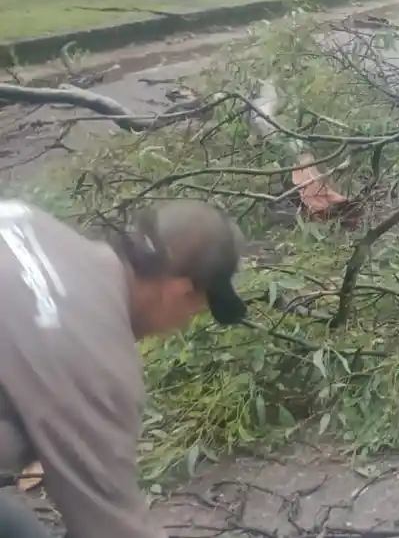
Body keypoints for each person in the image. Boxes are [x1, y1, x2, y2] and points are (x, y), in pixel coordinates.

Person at [0, 199, 249, 538]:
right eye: (194, 313)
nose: (179, 328)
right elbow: (111, 528)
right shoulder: (93, 357)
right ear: (180, 292)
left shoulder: (30, 221)